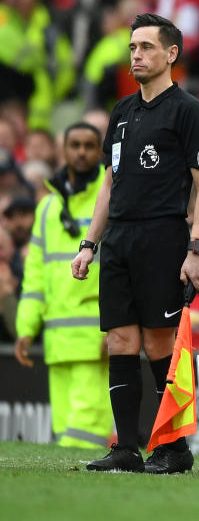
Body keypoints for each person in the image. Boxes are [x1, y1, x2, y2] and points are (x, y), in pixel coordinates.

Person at [71, 13, 199, 474]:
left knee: (158, 343)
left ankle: (175, 448)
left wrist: (197, 249)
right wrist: (89, 244)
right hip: (118, 239)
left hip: (162, 235)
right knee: (119, 339)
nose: (136, 55)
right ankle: (126, 448)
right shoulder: (121, 111)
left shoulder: (188, 110)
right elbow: (108, 185)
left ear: (171, 54)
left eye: (147, 47)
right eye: (133, 47)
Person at [14, 122, 110, 449]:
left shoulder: (109, 198)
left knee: (85, 431)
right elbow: (35, 275)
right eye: (75, 145)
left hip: (95, 335)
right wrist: (26, 327)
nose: (81, 152)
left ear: (100, 151)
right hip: (57, 338)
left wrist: (115, 327)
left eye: (88, 146)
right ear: (63, 150)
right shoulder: (47, 208)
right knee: (65, 428)